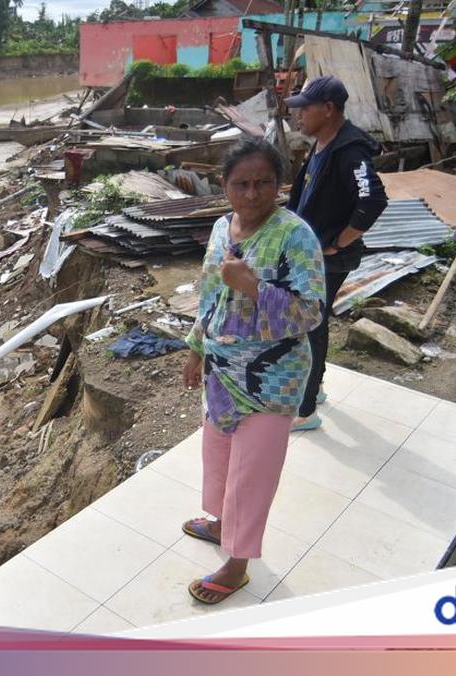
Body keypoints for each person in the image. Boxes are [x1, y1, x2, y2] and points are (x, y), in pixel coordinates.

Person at [180, 138, 326, 604]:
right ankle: (221, 523)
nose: (252, 193)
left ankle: (237, 563)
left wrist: (253, 285)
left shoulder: (295, 235)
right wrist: (195, 349)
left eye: (264, 182)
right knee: (218, 452)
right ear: (223, 185)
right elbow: (208, 295)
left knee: (251, 471)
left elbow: (311, 312)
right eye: (240, 183)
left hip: (272, 378)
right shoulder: (223, 228)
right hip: (222, 370)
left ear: (279, 184)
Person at [284, 75, 388, 431]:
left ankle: (306, 408)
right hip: (312, 252)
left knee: (310, 323)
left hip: (329, 256)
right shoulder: (324, 143)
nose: (299, 117)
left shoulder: (350, 151)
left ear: (328, 109)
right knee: (313, 319)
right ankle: (317, 386)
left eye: (305, 109)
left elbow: (372, 199)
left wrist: (340, 242)